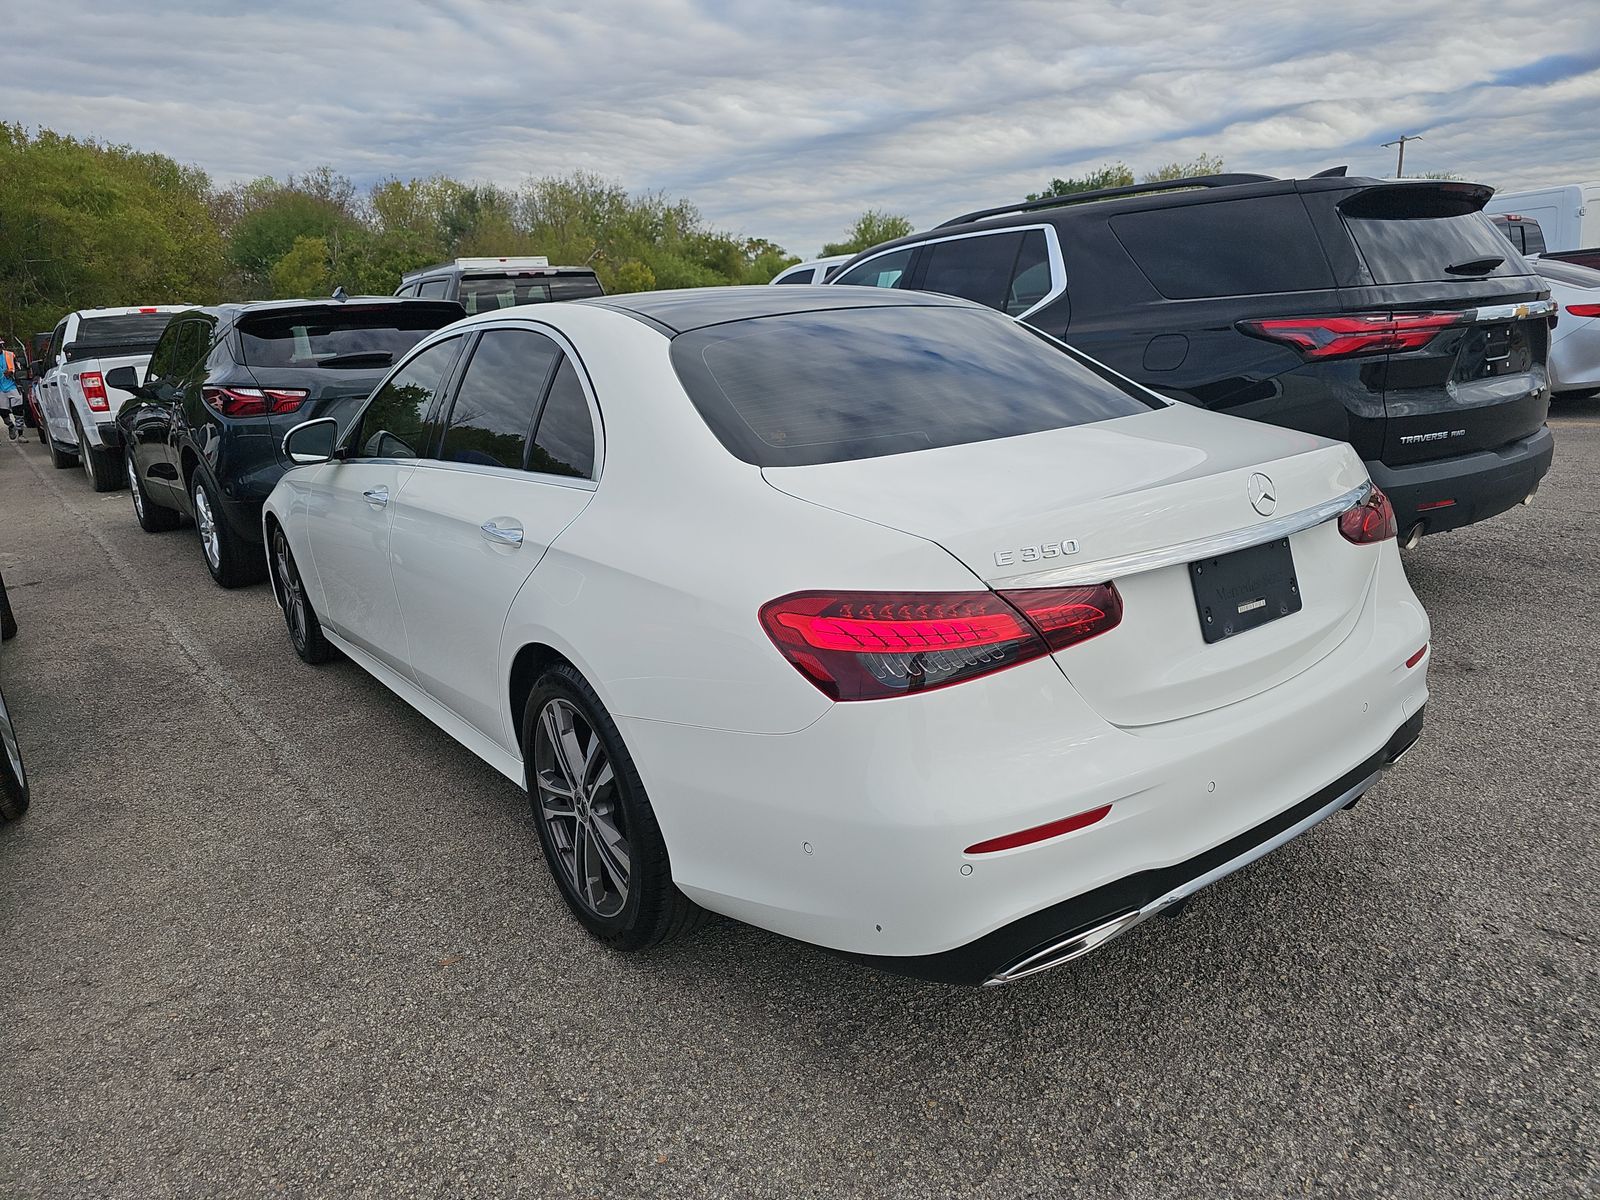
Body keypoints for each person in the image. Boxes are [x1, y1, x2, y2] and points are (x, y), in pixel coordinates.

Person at [1, 347, 26, 442]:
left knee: (18, 409)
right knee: (3, 412)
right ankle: (11, 426)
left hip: (13, 385)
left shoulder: (9, 355)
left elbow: (19, 368)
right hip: (0, 389)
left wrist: (12, 372)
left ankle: (20, 434)